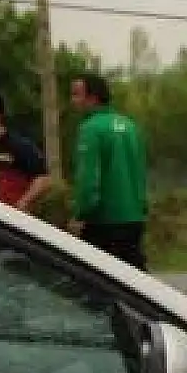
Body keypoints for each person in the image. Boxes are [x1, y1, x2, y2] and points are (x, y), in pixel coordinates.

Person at [67, 73, 149, 269]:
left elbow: (88, 180)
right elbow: (140, 172)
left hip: (104, 222)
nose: (73, 101)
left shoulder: (90, 129)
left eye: (77, 95)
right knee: (134, 282)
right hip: (134, 218)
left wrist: (80, 215)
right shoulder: (131, 127)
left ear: (93, 97)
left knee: (96, 285)